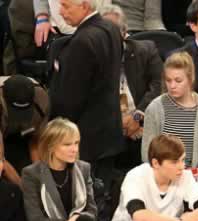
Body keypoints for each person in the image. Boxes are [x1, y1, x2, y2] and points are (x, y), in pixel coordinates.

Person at [48, 0, 124, 192]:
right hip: (110, 133)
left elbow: (70, 99)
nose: (61, 12)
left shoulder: (82, 41)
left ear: (84, 6)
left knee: (85, 201)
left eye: (66, 6)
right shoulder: (112, 29)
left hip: (85, 140)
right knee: (103, 197)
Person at [22, 118, 100, 221]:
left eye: (76, 143)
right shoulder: (32, 174)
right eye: (67, 144)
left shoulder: (83, 168)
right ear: (50, 146)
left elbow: (92, 210)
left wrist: (77, 218)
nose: (74, 149)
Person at [101, 4, 163, 170]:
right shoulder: (93, 59)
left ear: (124, 33)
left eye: (112, 33)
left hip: (143, 123)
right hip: (109, 128)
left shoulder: (146, 50)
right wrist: (116, 121)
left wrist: (137, 117)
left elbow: (159, 85)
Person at [142, 52, 198, 168]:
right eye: (168, 80)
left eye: (178, 81)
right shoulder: (155, 108)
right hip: (163, 174)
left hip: (196, 176)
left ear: (190, 79)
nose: (172, 86)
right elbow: (147, 152)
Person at [0, 75, 49, 181]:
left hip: (23, 135)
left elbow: (35, 142)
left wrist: (42, 178)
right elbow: (1, 160)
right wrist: (23, 189)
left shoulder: (42, 100)